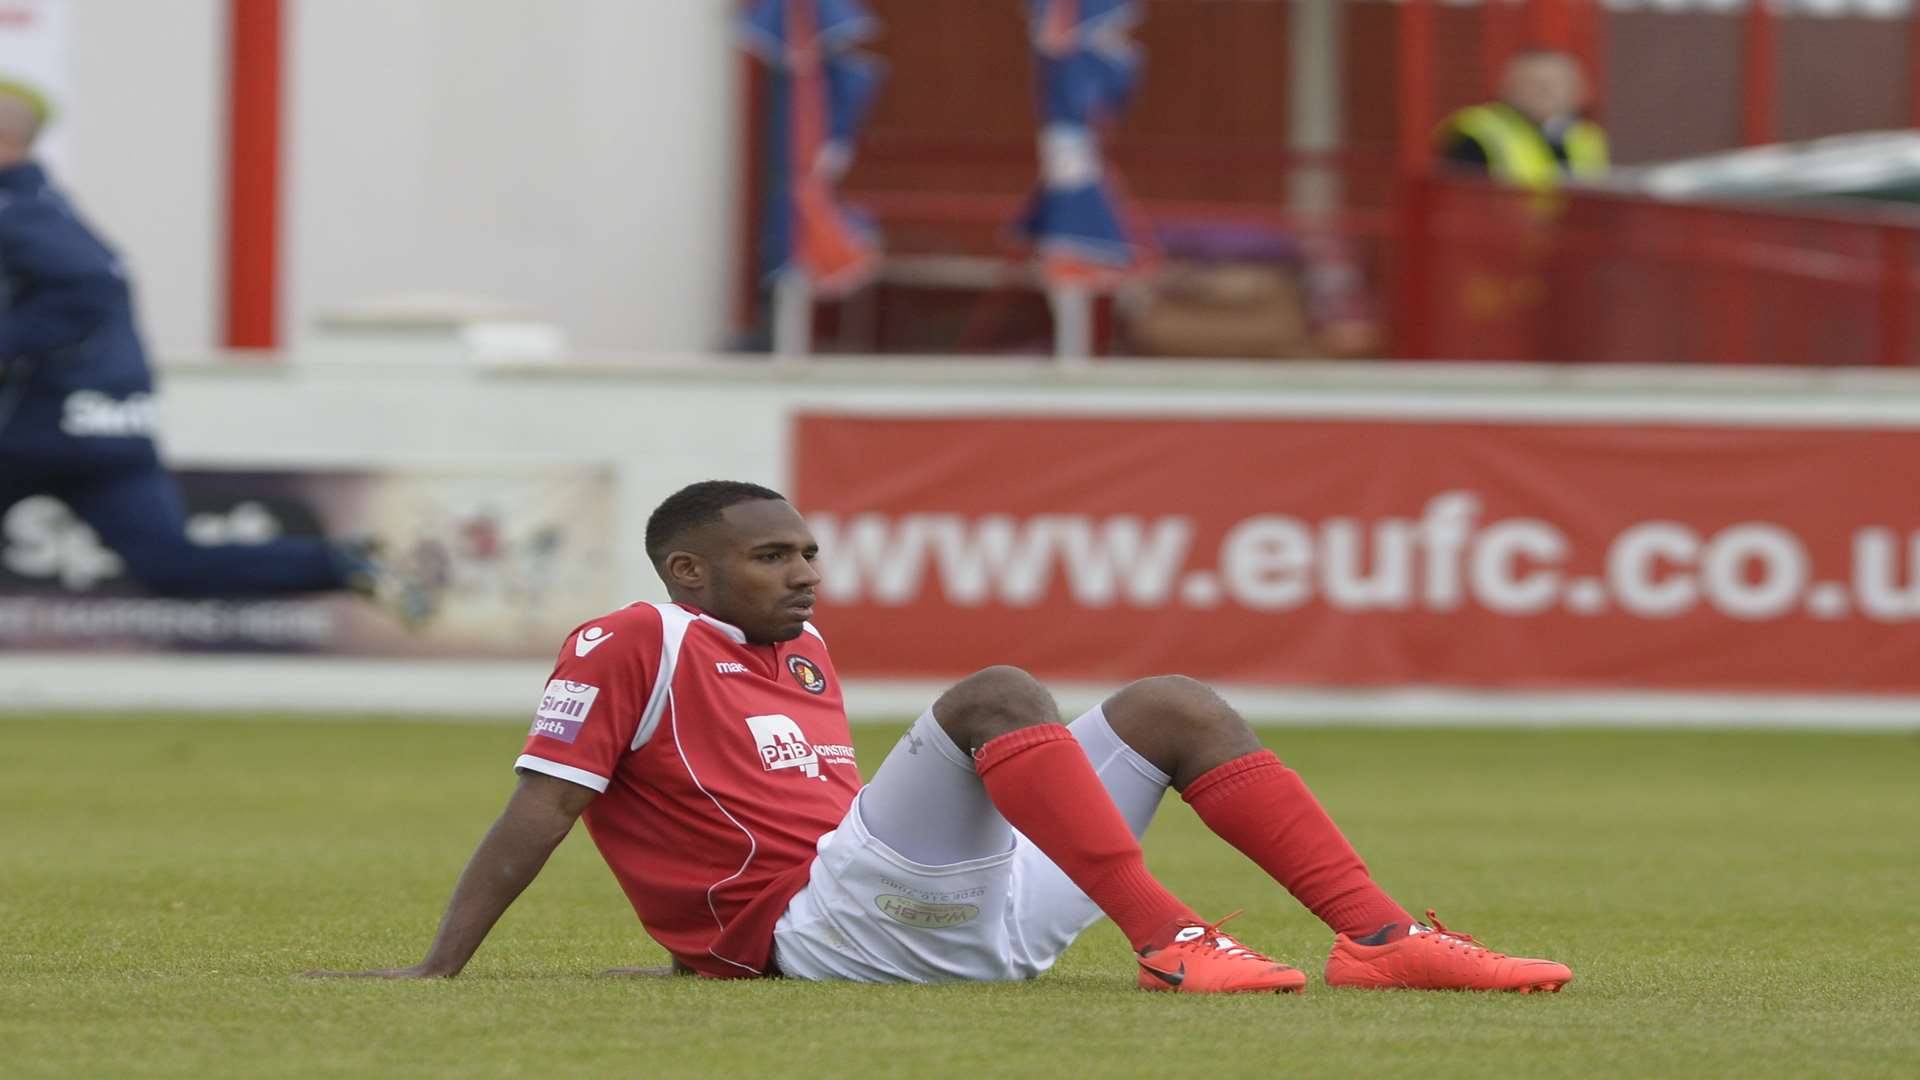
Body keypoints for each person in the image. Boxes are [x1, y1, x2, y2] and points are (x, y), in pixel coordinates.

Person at [312, 480, 1573, 994]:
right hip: (806, 935)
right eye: (770, 557)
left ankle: (1382, 939)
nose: (804, 573)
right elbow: (543, 807)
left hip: (953, 920)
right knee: (993, 696)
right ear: (687, 572)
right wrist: (438, 975)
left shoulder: (796, 648)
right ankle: (1173, 940)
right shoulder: (628, 640)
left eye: (808, 550)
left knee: (1176, 703)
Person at [0, 79, 428, 621]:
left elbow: (91, 286)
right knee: (170, 563)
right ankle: (341, 563)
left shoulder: (17, 210)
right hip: (110, 426)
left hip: (42, 427)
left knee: (169, 560)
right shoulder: (46, 205)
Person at [1438, 49, 1608, 192]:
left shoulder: (1587, 136)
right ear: (1507, 87)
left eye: (1558, 83)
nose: (1546, 92)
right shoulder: (1475, 132)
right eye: (1534, 83)